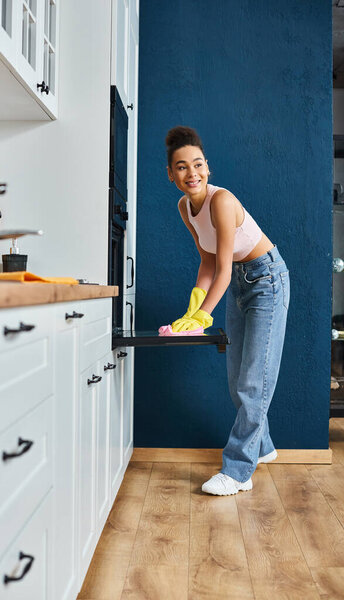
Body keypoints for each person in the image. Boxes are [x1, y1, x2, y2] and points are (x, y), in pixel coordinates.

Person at [165, 126, 290, 496]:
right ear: (171, 174)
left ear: (208, 167)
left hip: (267, 280)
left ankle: (238, 471)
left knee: (255, 381)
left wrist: (204, 314)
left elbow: (222, 266)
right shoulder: (185, 207)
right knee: (238, 382)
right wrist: (194, 304)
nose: (193, 174)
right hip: (236, 281)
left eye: (198, 164)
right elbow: (207, 262)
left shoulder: (221, 202)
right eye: (182, 167)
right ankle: (262, 447)